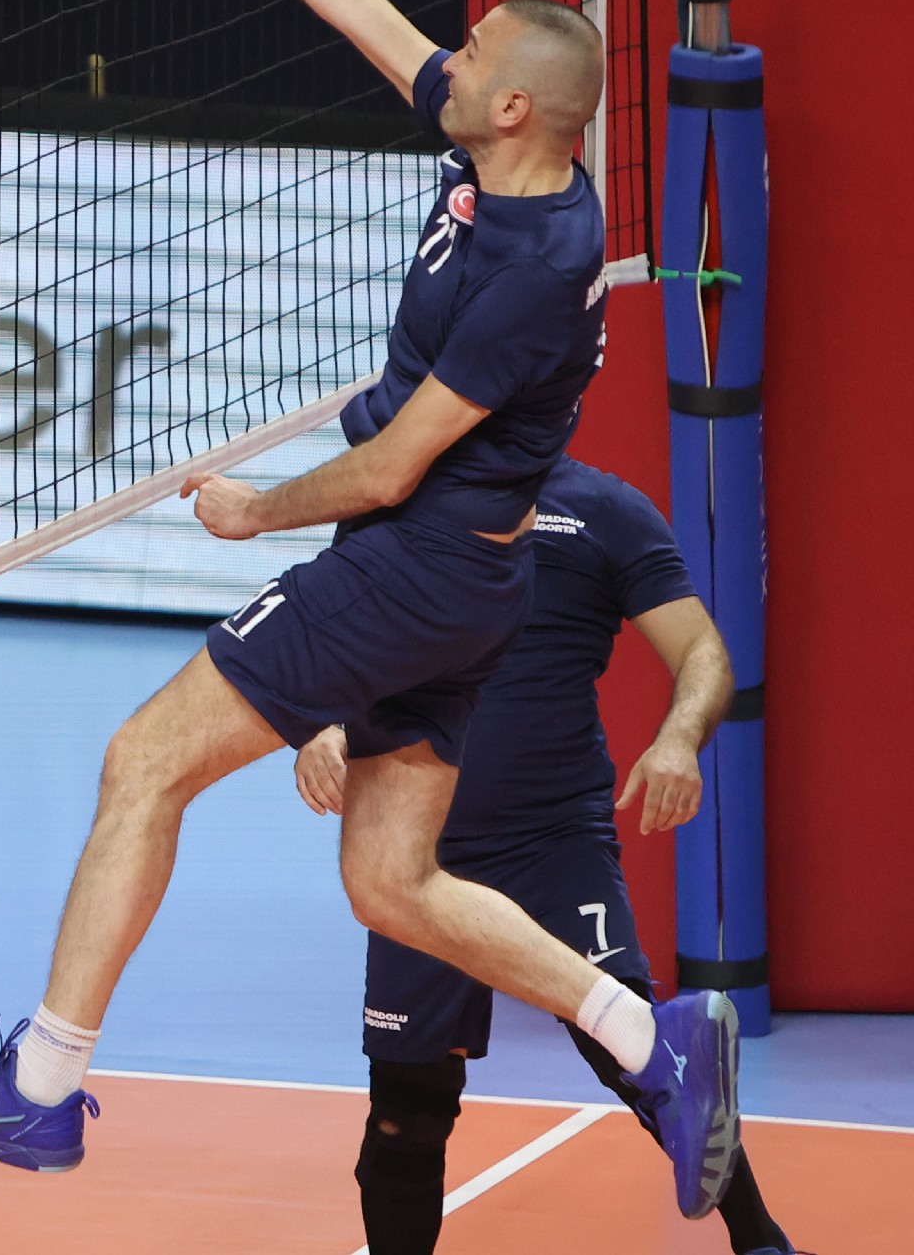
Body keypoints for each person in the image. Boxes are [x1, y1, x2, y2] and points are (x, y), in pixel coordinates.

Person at [0, 0, 741, 1226]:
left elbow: (395, 465)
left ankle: (42, 1086)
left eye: (471, 52)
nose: (446, 58)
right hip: (466, 583)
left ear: (516, 103)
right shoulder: (501, 155)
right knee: (394, 885)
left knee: (143, 762)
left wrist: (253, 512)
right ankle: (656, 1044)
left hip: (414, 562)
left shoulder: (535, 270)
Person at [288, 459, 804, 1255]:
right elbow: (336, 643)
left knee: (645, 1059)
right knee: (405, 1111)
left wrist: (678, 740)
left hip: (553, 842)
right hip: (412, 851)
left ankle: (762, 1242)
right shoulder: (390, 500)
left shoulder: (606, 509)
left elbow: (702, 650)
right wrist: (322, 726)